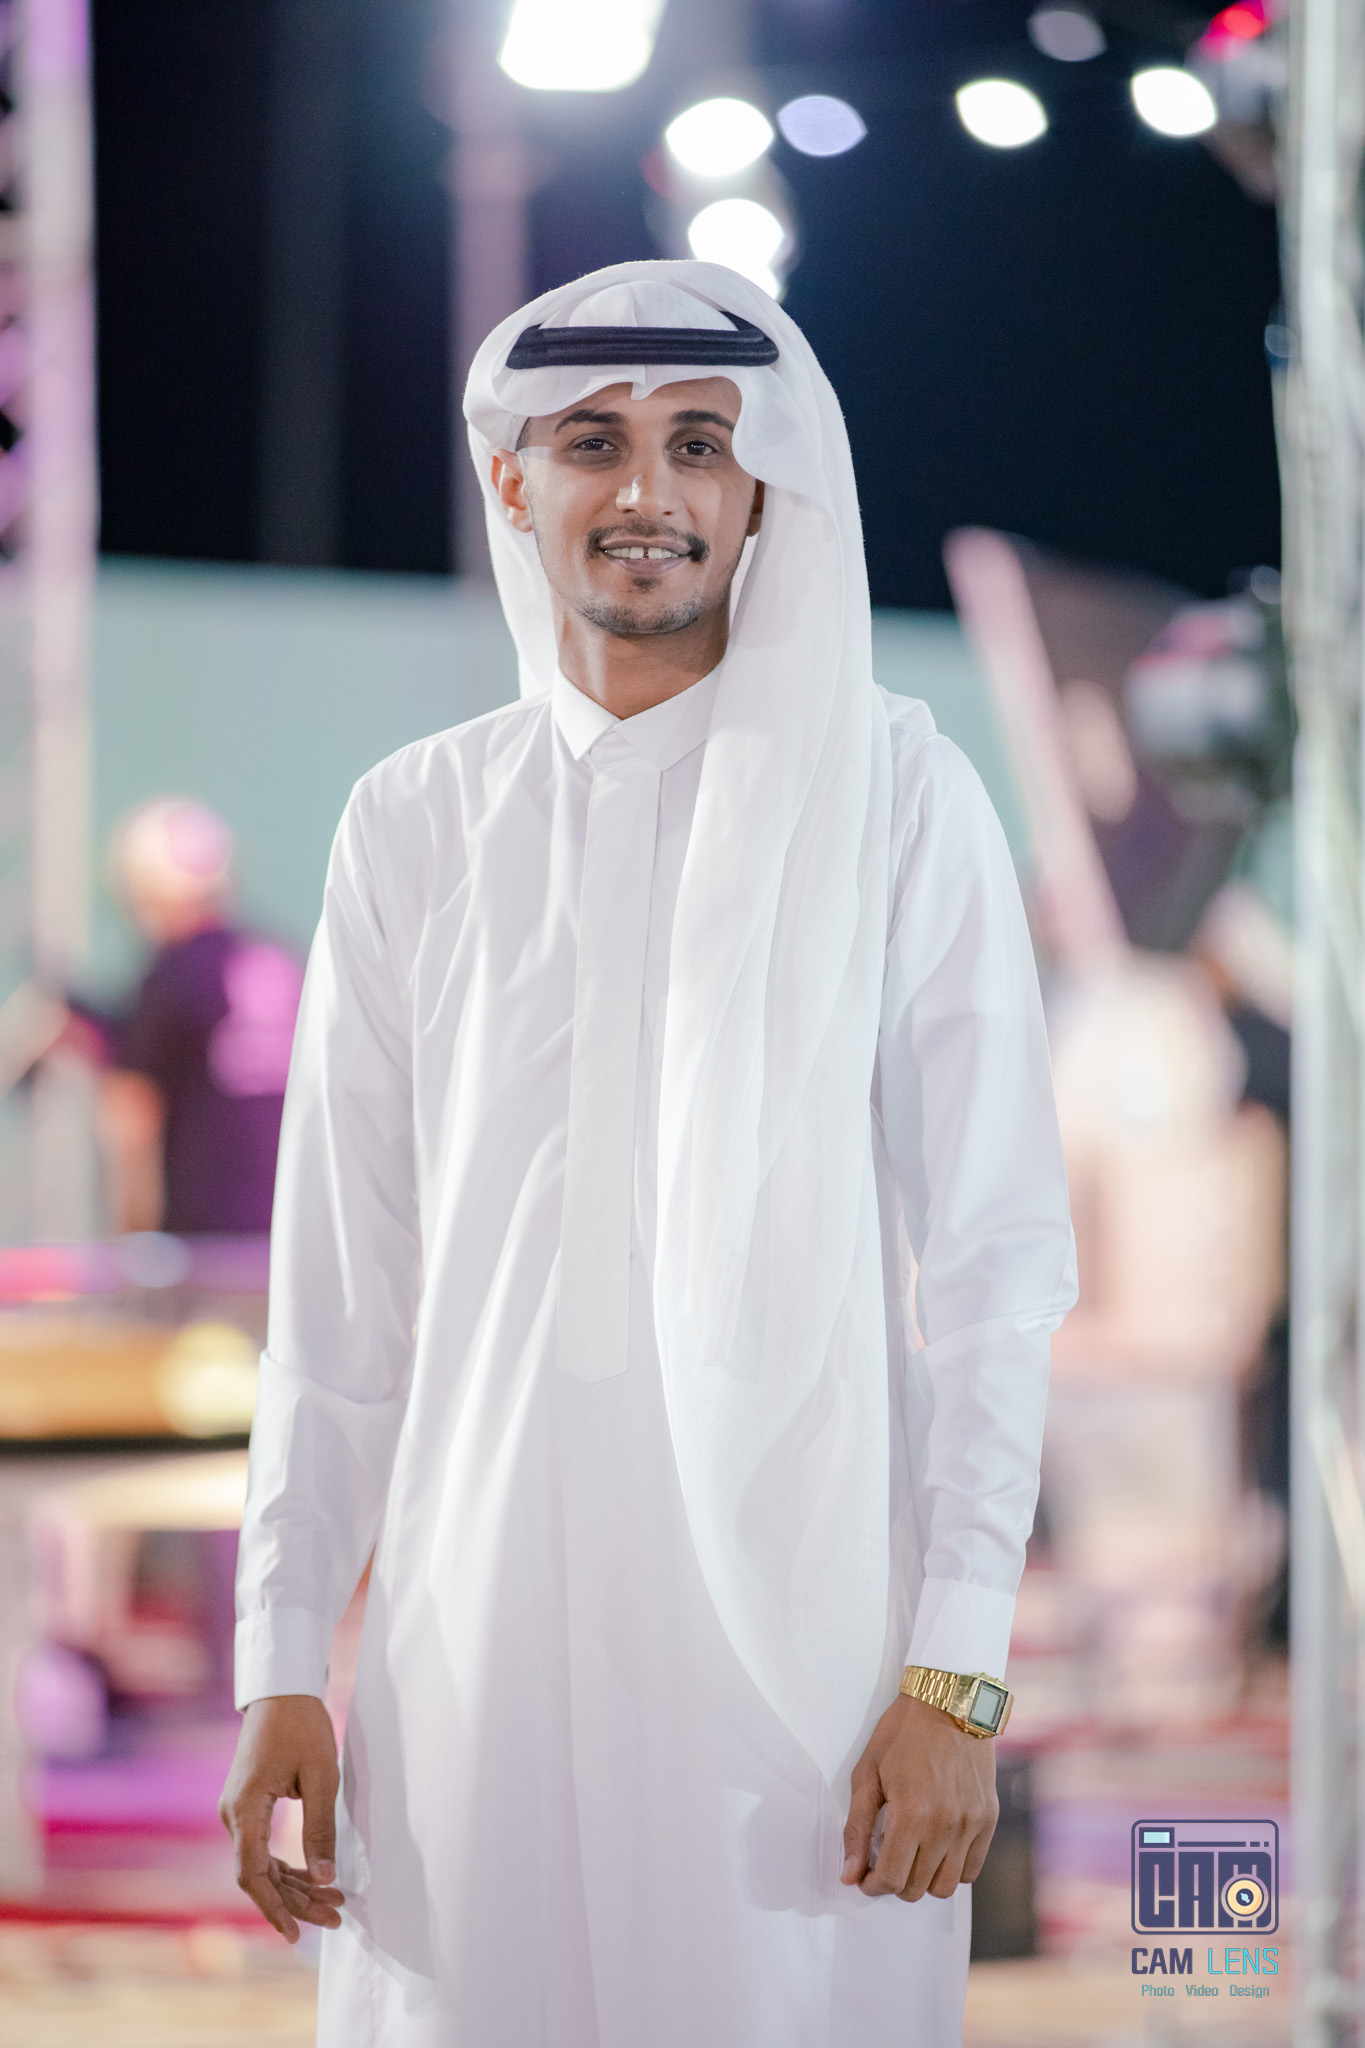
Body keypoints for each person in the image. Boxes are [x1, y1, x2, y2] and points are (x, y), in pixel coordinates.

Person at [221, 262, 1076, 2048]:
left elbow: (999, 1271)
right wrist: (281, 1656)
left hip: (805, 1653)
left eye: (700, 443)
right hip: (473, 1640)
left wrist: (958, 1675)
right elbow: (341, 1297)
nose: (648, 491)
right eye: (593, 442)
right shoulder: (416, 819)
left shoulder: (896, 795)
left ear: (767, 490)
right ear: (513, 479)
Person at [98, 798, 303, 1235]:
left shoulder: (172, 973)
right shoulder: (283, 960)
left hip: (208, 1243)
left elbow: (132, 1123)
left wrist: (131, 1242)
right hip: (297, 1229)